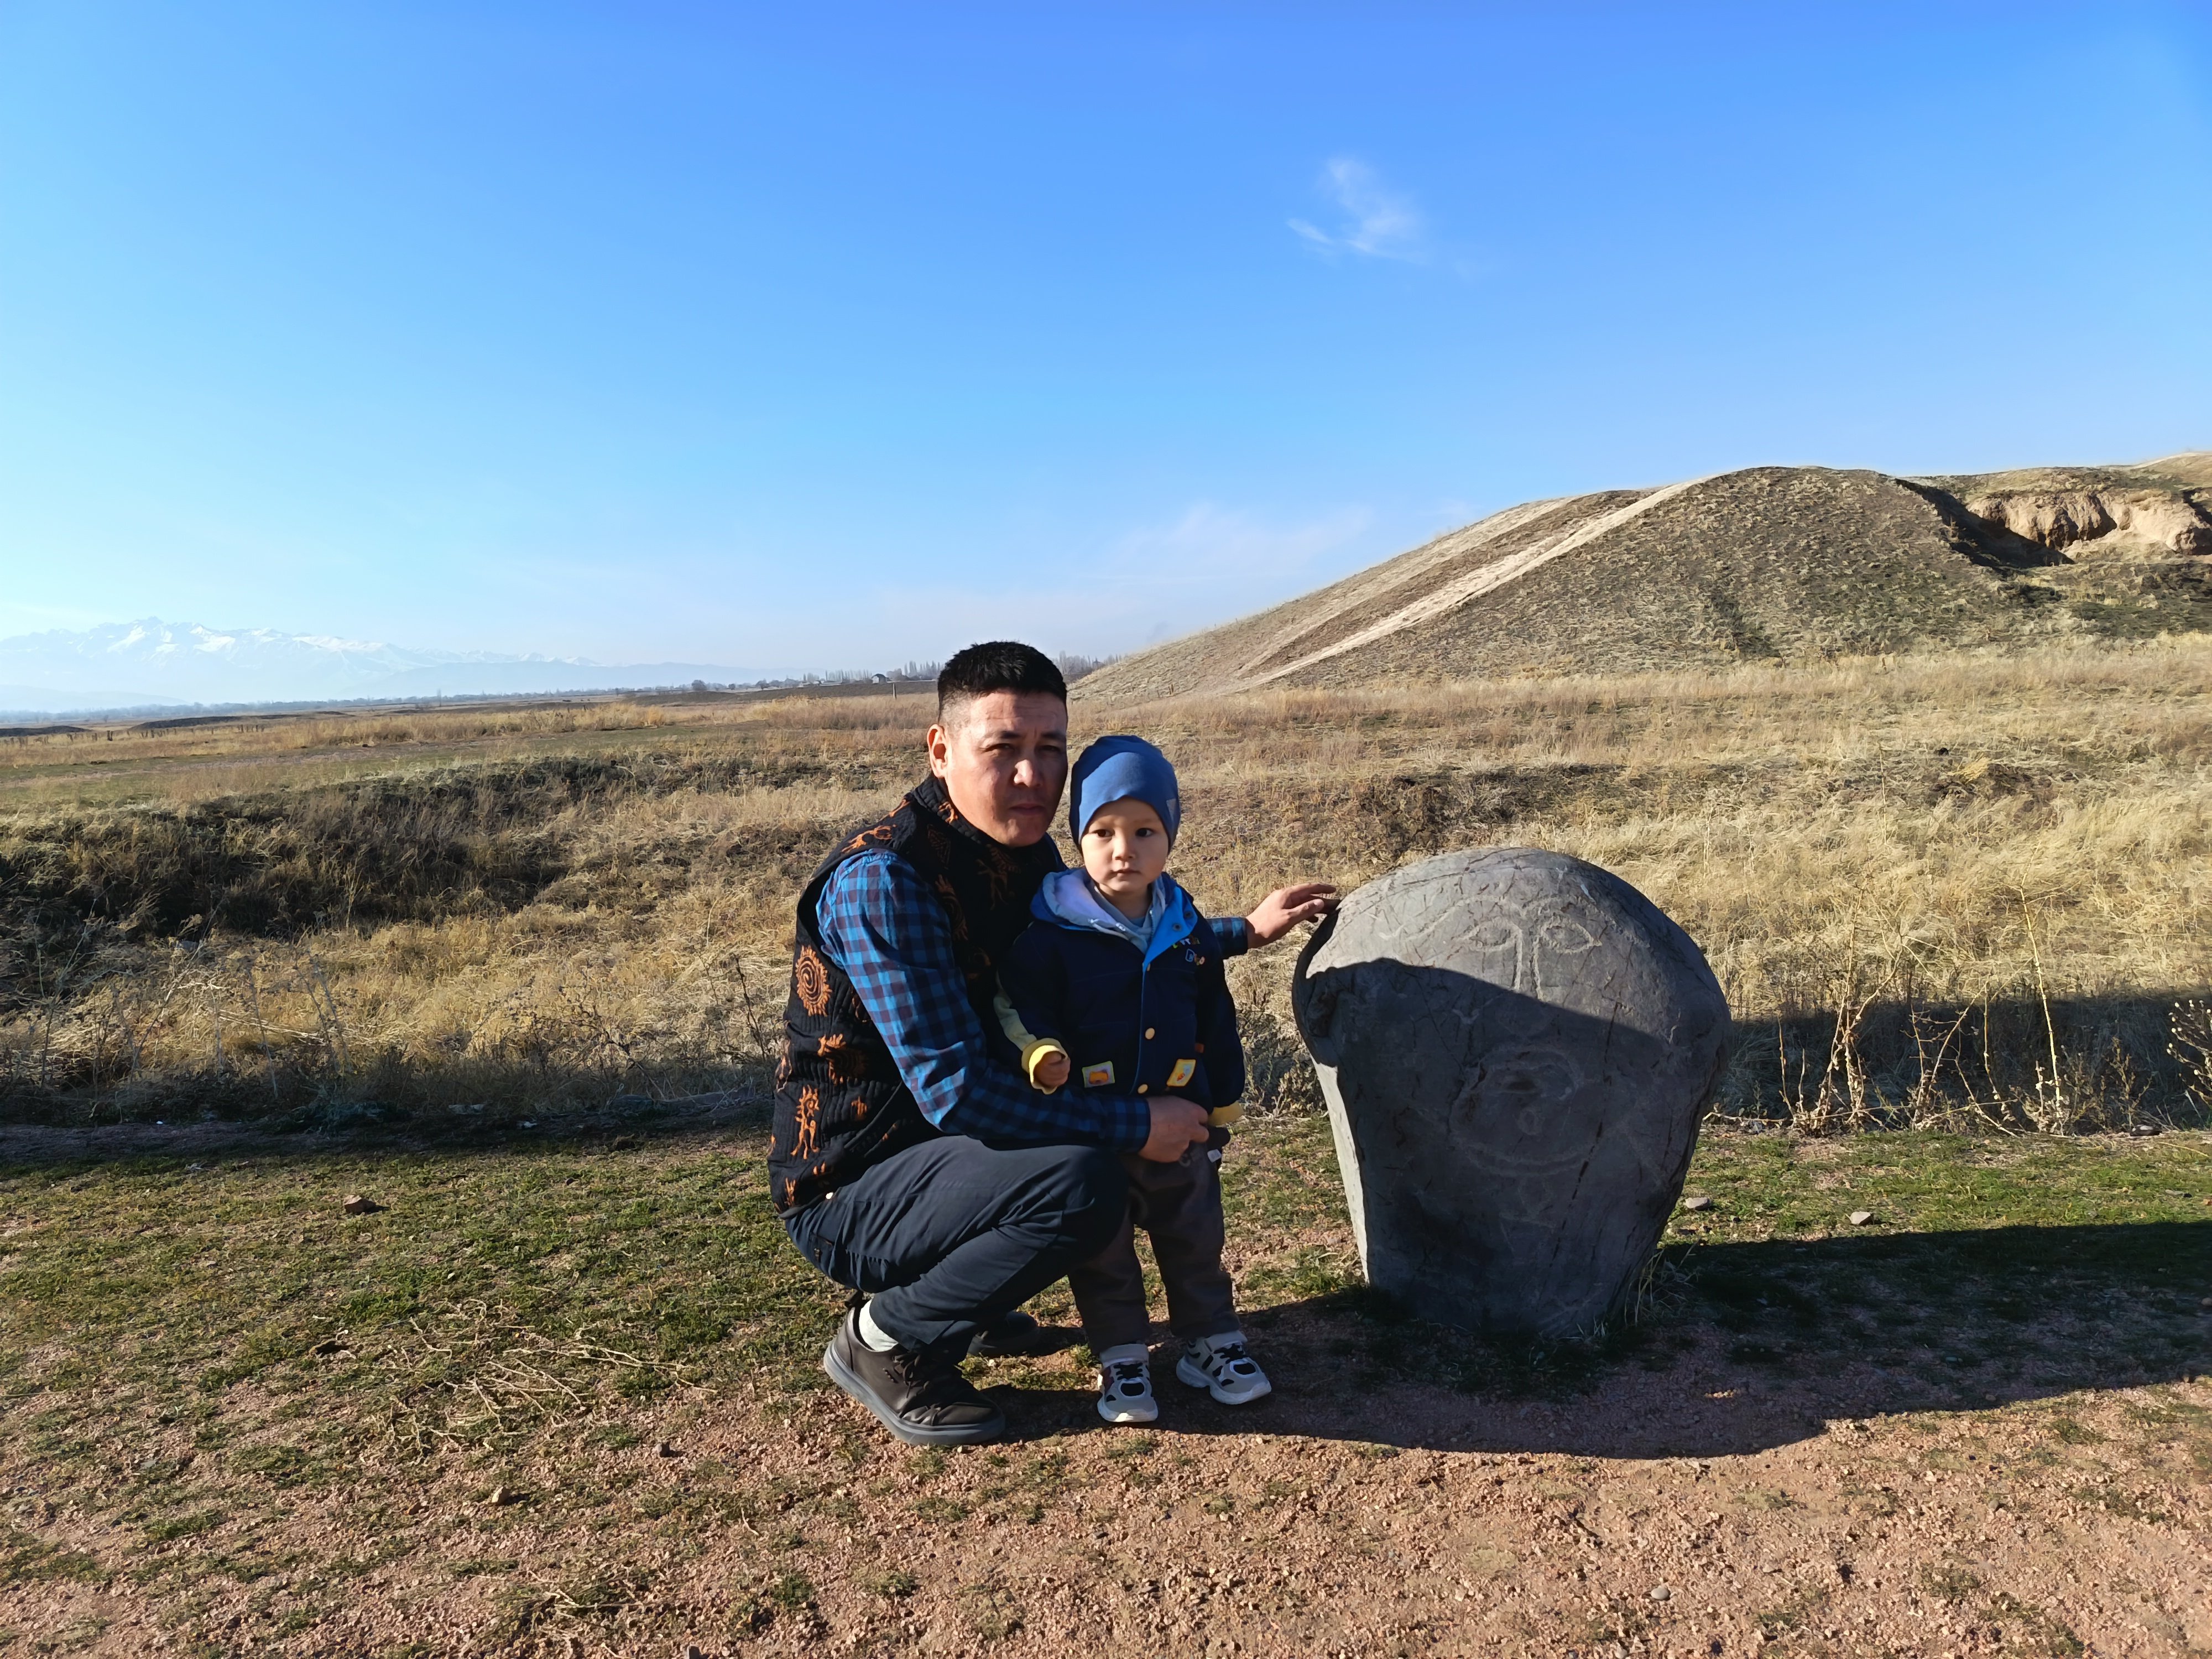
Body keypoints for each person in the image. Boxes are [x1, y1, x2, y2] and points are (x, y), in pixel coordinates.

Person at [769, 642, 1334, 1446]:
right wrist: (1139, 1125)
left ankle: (969, 1297)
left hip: (948, 1161)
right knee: (1083, 1180)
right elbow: (960, 1091)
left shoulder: (1020, 850)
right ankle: (885, 1340)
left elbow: (1107, 945)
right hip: (853, 1187)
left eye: (1050, 748)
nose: (1032, 776)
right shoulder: (886, 882)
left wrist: (1242, 931)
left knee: (1078, 1159)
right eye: (1002, 748)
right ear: (940, 749)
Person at [996, 735, 1334, 1423]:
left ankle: (1210, 1342)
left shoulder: (1182, 926)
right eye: (1103, 832)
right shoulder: (1050, 932)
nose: (1124, 850)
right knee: (1104, 1252)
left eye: (1144, 831)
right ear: (1078, 837)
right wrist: (1040, 1054)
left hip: (1183, 1125)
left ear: (1170, 836)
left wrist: (1225, 1103)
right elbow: (1019, 1005)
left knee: (1196, 1240)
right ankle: (1122, 1357)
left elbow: (1214, 1008)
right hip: (1095, 1135)